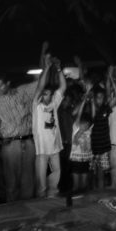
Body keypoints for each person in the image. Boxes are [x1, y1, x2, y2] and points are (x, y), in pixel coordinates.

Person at [0, 44, 44, 202]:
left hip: (28, 140)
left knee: (29, 180)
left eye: (0, 85)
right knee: (12, 181)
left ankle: (28, 212)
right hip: (10, 144)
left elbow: (40, 82)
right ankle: (13, 211)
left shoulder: (22, 91)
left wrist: (42, 58)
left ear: (7, 83)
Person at [31, 55, 67, 198]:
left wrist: (59, 69)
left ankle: (52, 197)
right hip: (42, 148)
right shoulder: (37, 106)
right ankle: (41, 201)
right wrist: (46, 68)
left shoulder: (54, 103)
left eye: (49, 94)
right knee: (41, 183)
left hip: (55, 145)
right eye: (45, 94)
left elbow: (63, 87)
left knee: (57, 173)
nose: (48, 96)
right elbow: (40, 86)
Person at [70, 84, 93, 193]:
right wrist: (84, 99)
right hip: (76, 159)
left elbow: (93, 115)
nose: (86, 126)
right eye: (85, 124)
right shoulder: (76, 127)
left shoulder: (89, 129)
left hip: (86, 159)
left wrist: (90, 99)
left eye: (88, 125)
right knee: (76, 186)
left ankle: (83, 202)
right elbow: (79, 114)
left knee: (84, 185)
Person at [89, 82, 112, 189]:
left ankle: (101, 195)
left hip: (103, 146)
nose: (100, 99)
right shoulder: (91, 109)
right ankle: (94, 196)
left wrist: (110, 79)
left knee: (102, 174)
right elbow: (93, 115)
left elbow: (115, 97)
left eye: (102, 97)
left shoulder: (106, 108)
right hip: (93, 147)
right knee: (93, 174)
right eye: (98, 97)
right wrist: (92, 97)